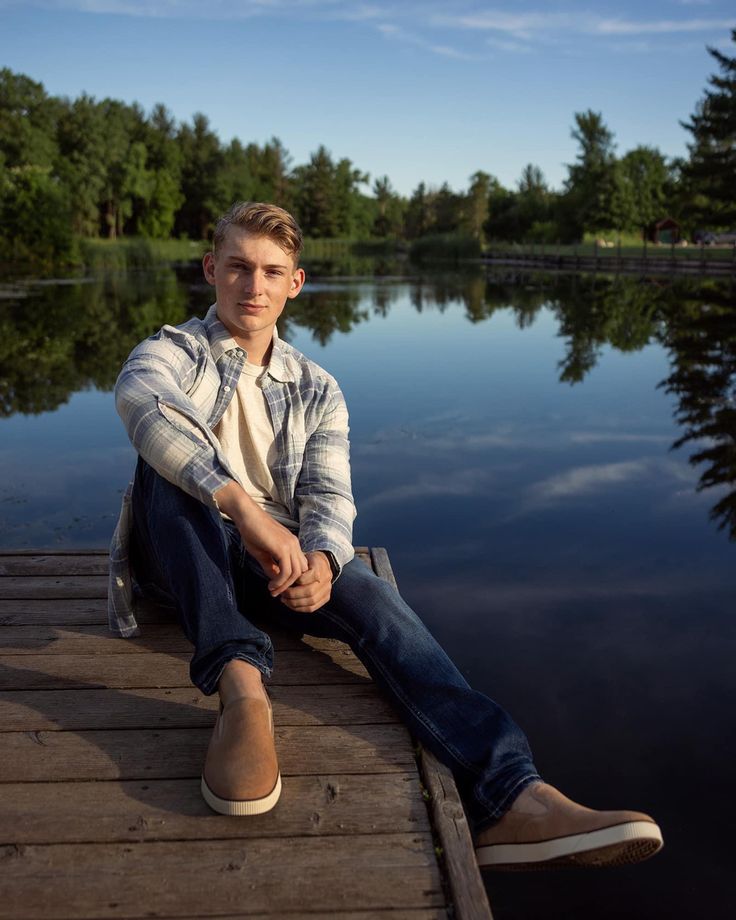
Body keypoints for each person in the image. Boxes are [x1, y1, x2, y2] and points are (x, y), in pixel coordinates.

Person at [108, 201, 663, 871]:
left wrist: (322, 557)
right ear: (211, 271)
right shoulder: (173, 352)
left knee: (373, 600)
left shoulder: (318, 390)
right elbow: (140, 398)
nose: (254, 288)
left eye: (271, 272)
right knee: (166, 463)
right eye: (238, 268)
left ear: (296, 283)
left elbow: (331, 496)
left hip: (270, 561)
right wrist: (243, 509)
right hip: (179, 556)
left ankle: (512, 797)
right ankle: (241, 688)